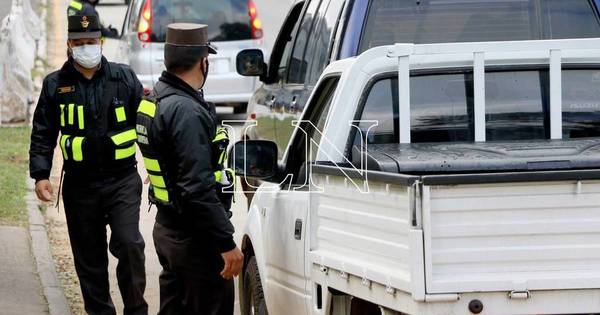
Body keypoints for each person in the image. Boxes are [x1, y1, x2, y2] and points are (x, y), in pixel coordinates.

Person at [29, 14, 148, 315]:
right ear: (69, 44)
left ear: (101, 42)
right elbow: (43, 131)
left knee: (130, 244)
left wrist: (158, 165)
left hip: (121, 180)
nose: (86, 48)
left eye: (91, 42)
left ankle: (136, 308)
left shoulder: (124, 78)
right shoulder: (56, 85)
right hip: (80, 186)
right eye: (79, 43)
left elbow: (149, 125)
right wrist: (41, 174)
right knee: (89, 261)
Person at [135, 23, 243, 315]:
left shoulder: (155, 99)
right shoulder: (186, 111)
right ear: (203, 61)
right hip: (196, 240)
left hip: (169, 230)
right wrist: (225, 242)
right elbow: (196, 188)